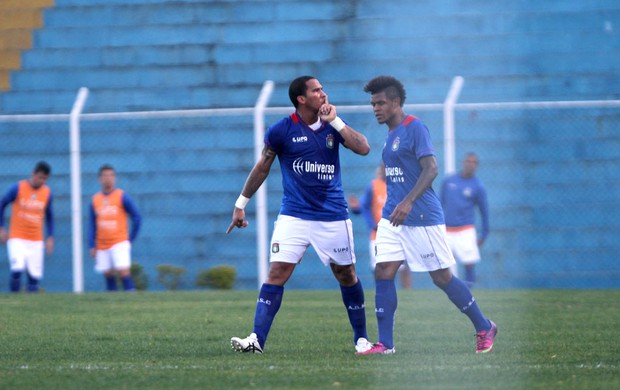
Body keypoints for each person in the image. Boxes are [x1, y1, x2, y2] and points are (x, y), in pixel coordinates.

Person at [226, 75, 373, 354]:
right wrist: (240, 203)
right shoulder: (281, 130)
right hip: (294, 215)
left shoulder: (332, 126)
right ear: (301, 99)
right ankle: (256, 339)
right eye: (317, 90)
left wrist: (336, 122)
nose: (323, 93)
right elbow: (262, 167)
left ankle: (361, 339)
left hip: (333, 216)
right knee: (277, 272)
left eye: (322, 88)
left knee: (346, 274)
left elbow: (363, 148)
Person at [358, 76, 497, 355]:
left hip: (421, 218)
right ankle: (385, 344)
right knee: (384, 271)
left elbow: (431, 168)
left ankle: (484, 326)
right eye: (373, 104)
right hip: (391, 220)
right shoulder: (389, 138)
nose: (376, 108)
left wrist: (408, 202)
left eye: (381, 102)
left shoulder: (415, 128)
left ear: (396, 103)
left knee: (442, 278)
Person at [348, 163, 412, 289]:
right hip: (377, 234)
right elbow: (363, 206)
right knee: (378, 266)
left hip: (397, 233)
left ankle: (407, 294)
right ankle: (384, 293)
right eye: (382, 168)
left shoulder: (400, 185)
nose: (384, 171)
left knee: (403, 266)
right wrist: (371, 223)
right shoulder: (373, 186)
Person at [0, 161, 54, 292]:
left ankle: (30, 306)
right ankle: (14, 302)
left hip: (36, 239)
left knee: (34, 276)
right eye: (40, 177)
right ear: (33, 174)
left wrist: (50, 236)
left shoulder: (47, 193)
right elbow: (2, 205)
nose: (42, 180)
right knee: (17, 268)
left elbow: (50, 216)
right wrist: (1, 228)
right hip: (17, 237)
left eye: (45, 178)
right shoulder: (18, 188)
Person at [88, 164, 141, 292]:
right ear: (99, 179)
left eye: (111, 175)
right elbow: (91, 224)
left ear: (115, 178)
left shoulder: (122, 196)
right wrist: (91, 245)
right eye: (105, 176)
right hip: (102, 244)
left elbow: (137, 217)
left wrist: (130, 238)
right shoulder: (95, 199)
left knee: (123, 271)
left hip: (119, 241)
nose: (108, 178)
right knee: (107, 273)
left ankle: (131, 297)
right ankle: (113, 301)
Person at [441, 153, 489, 288]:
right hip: (447, 230)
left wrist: (484, 233)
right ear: (463, 162)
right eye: (468, 161)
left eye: (473, 162)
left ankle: (468, 294)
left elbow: (484, 210)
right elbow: (440, 204)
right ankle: (450, 293)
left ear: (477, 166)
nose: (470, 164)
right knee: (444, 264)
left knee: (469, 262)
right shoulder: (449, 181)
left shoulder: (478, 186)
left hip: (465, 230)